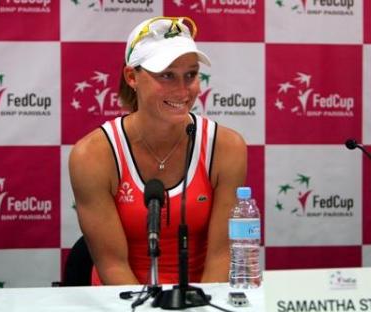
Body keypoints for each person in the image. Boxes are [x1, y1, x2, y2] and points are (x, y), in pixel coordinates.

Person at [69, 16, 247, 285]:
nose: (183, 89)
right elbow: (112, 265)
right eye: (166, 75)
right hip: (124, 308)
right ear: (132, 77)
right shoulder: (92, 155)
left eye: (191, 75)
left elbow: (221, 257)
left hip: (202, 302)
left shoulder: (227, 147)